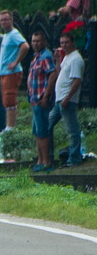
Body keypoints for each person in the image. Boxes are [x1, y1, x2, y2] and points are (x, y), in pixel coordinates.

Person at [48, 31, 85, 167]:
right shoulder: (67, 57)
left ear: (72, 43)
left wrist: (68, 98)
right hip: (59, 99)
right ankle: (49, 154)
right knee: (47, 125)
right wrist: (58, 60)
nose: (64, 45)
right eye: (62, 43)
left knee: (72, 130)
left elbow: (76, 80)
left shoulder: (76, 59)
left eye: (66, 42)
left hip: (67, 100)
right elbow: (59, 74)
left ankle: (74, 158)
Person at [27, 30, 57, 171]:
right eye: (33, 41)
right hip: (34, 100)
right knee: (37, 131)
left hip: (41, 99)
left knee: (43, 131)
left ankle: (47, 161)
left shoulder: (46, 56)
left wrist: (46, 96)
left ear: (44, 41)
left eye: (38, 41)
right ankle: (39, 160)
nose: (35, 43)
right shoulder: (35, 57)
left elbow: (52, 75)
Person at [0, 10, 29, 131]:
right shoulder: (6, 35)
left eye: (6, 19)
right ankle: (8, 125)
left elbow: (25, 46)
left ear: (11, 20)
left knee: (10, 99)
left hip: (11, 72)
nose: (4, 22)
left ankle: (11, 127)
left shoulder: (14, 34)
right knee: (5, 99)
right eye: (2, 20)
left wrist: (16, 61)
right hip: (4, 72)